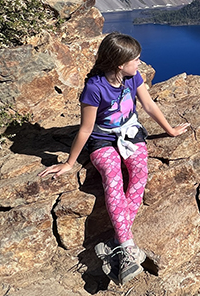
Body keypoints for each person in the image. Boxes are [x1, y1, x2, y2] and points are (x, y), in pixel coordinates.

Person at [39, 32, 190, 284]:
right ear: (120, 64)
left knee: (140, 175)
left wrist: (170, 130)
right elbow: (86, 129)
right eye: (136, 59)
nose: (140, 63)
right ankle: (127, 247)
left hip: (131, 134)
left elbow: (149, 106)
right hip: (102, 139)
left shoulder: (133, 77)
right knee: (112, 177)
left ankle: (117, 241)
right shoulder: (94, 88)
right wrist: (69, 162)